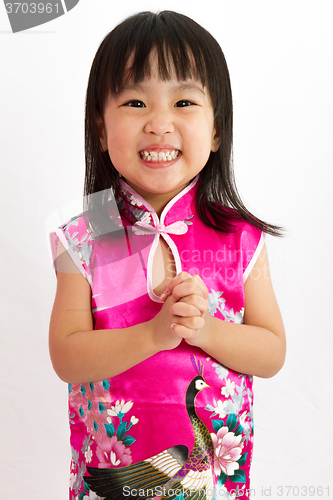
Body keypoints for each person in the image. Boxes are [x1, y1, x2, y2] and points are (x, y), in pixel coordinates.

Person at [49, 10, 286, 500]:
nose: (160, 124)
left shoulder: (241, 237)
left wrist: (205, 330)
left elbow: (271, 352)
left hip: (214, 480)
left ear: (217, 130)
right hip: (111, 479)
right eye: (135, 102)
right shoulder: (86, 234)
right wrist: (155, 334)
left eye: (183, 101)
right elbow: (68, 356)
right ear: (100, 128)